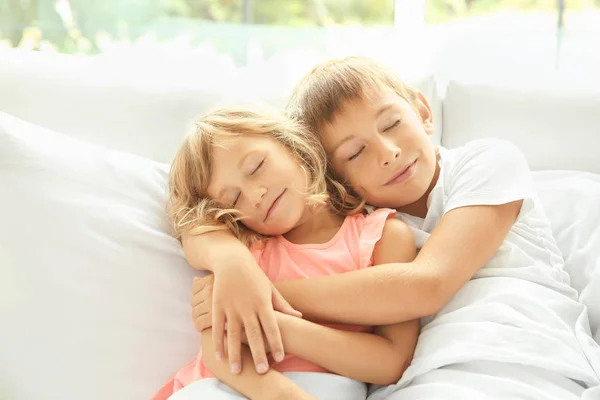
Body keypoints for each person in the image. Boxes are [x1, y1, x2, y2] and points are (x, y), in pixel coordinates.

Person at [188, 57, 600, 399]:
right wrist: (229, 262)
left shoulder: (485, 162)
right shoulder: (362, 226)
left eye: (390, 124)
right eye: (355, 152)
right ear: (334, 174)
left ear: (422, 112)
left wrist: (256, 292)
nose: (388, 153)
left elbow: (427, 285)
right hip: (420, 379)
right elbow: (195, 221)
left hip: (525, 354)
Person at [153, 106, 420, 400]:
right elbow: (218, 348)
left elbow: (392, 362)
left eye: (256, 167)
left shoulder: (381, 237)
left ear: (292, 145)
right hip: (230, 388)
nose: (255, 195)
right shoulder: (248, 249)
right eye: (234, 198)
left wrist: (277, 326)